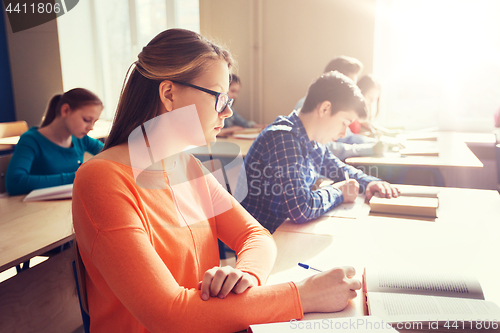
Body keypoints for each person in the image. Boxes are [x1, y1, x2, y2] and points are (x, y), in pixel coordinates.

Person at [72, 29, 361, 333]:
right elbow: (169, 314)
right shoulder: (101, 179)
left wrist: (246, 275)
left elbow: (255, 235)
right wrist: (302, 295)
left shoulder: (188, 166)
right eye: (218, 98)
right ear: (169, 94)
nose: (227, 111)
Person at [240, 71, 399, 234]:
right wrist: (339, 192)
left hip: (283, 233)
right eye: (344, 123)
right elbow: (300, 209)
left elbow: (339, 169)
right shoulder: (284, 138)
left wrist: (370, 182)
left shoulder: (313, 141)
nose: (344, 134)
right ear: (325, 108)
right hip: (258, 240)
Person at [5, 88, 104, 195]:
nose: (91, 127)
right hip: (36, 209)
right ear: (65, 110)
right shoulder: (30, 140)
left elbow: (111, 153)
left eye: (94, 122)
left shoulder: (82, 139)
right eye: (87, 120)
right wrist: (78, 176)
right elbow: (14, 182)